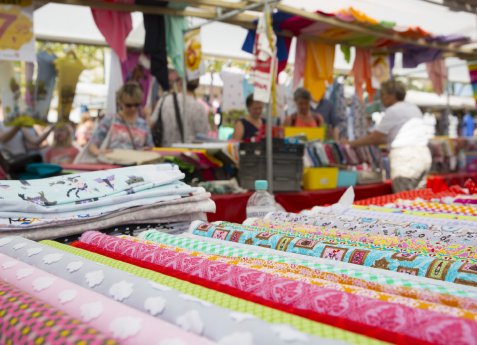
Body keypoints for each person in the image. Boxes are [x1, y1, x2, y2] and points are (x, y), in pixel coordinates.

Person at [347, 80, 431, 193]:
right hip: (423, 154)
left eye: (383, 95)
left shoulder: (394, 110)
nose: (382, 98)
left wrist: (351, 144)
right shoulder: (413, 108)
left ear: (392, 95)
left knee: (404, 200)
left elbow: (375, 138)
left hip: (406, 158)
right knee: (418, 198)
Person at [88, 82, 153, 158]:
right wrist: (99, 152)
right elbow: (93, 144)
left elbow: (150, 147)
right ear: (120, 102)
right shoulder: (109, 120)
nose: (133, 108)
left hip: (135, 167)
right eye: (128, 105)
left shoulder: (143, 124)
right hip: (112, 166)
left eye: (136, 105)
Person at [152, 79, 210, 147]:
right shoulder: (200, 108)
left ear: (180, 82)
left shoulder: (164, 101)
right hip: (189, 154)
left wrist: (147, 114)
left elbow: (152, 124)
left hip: (165, 152)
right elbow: (203, 137)